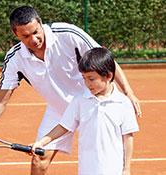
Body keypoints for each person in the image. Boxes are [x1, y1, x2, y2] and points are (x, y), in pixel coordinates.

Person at [0, 5, 141, 175]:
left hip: (92, 101)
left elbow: (106, 60)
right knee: (39, 159)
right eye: (25, 36)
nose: (33, 40)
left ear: (40, 22)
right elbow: (0, 101)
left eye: (35, 32)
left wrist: (128, 92)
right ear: (15, 34)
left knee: (109, 158)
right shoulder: (15, 58)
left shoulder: (68, 34)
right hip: (59, 109)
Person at [31, 47, 139, 175]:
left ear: (108, 76)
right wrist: (41, 142)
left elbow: (128, 138)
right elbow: (64, 126)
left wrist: (126, 169)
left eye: (91, 79)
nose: (87, 83)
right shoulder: (80, 100)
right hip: (87, 170)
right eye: (84, 78)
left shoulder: (123, 103)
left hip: (114, 170)